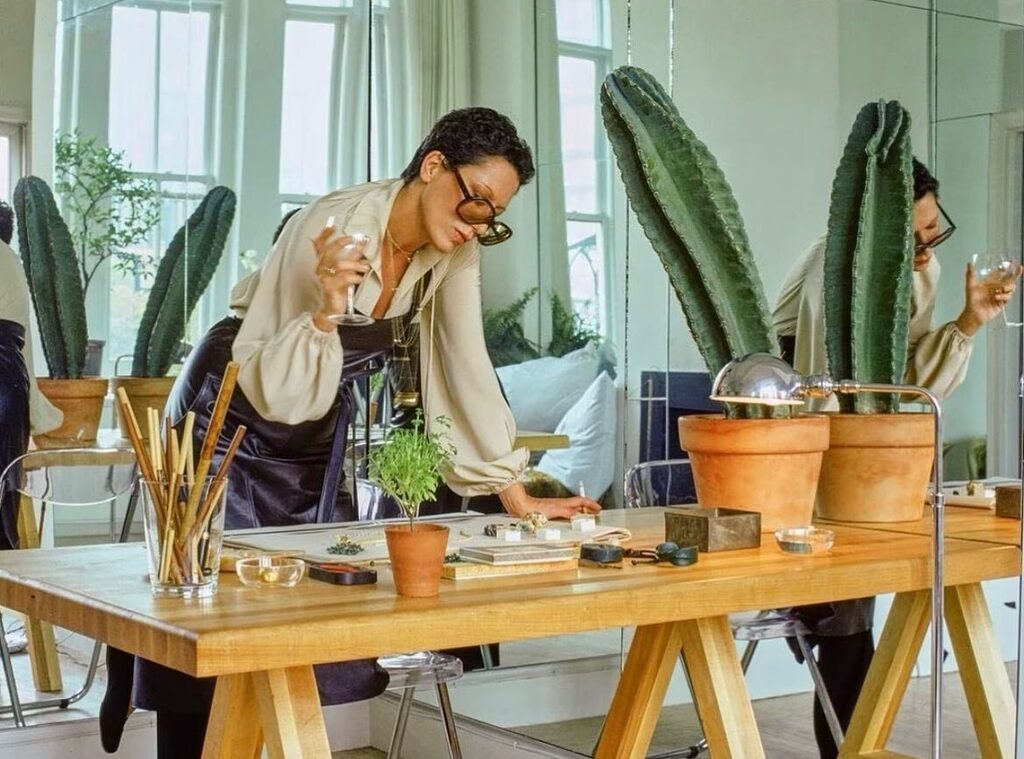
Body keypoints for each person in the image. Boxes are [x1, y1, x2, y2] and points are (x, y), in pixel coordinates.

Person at [100, 107, 600, 758]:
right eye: (476, 201)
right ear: (432, 167)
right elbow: (276, 382)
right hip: (233, 407)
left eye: (491, 216)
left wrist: (513, 490)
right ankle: (142, 685)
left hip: (308, 422)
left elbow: (464, 364)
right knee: (207, 616)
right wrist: (328, 308)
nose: (478, 222)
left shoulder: (452, 249)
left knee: (310, 616)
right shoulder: (333, 228)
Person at [772, 158, 1020, 759]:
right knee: (846, 615)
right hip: (802, 442)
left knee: (867, 603)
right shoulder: (832, 271)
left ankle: (855, 736)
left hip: (868, 442)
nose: (927, 243)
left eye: (933, 226)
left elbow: (903, 377)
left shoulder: (918, 269)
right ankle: (846, 744)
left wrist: (969, 320)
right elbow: (830, 377)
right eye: (913, 234)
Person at [0, 200, 64, 550]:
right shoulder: (9, 260)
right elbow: (25, 351)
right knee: (2, 517)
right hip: (7, 380)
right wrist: (36, 416)